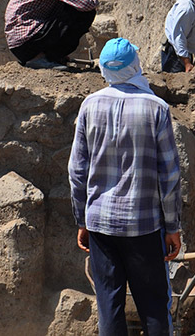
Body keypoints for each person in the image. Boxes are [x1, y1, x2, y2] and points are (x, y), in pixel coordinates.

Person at [69, 38, 183, 336]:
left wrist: (82, 219)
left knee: (109, 306)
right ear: (135, 65)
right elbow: (169, 174)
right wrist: (172, 226)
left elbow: (77, 170)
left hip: (101, 226)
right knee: (154, 306)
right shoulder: (156, 108)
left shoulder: (89, 105)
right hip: (142, 225)